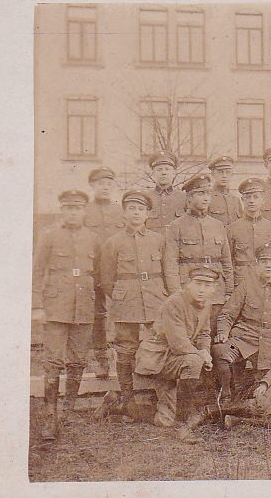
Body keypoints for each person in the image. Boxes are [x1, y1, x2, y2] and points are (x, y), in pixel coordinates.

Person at [99, 265, 218, 444]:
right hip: (157, 361)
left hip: (175, 361)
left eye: (207, 285)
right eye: (198, 283)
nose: (202, 289)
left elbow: (203, 333)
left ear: (214, 288)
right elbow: (179, 344)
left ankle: (119, 405)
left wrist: (206, 352)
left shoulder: (206, 303)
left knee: (164, 420)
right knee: (193, 361)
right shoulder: (175, 303)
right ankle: (181, 426)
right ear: (188, 284)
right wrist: (200, 355)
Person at [97, 190, 174, 422]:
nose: (136, 213)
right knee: (126, 349)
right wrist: (121, 295)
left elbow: (168, 272)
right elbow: (107, 279)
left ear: (148, 214)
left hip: (154, 297)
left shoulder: (159, 240)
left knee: (160, 345)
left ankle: (158, 398)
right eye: (131, 208)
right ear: (124, 213)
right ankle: (128, 399)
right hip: (126, 300)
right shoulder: (113, 242)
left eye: (141, 209)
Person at [32, 190, 102, 440]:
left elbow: (99, 277)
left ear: (85, 211)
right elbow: (37, 272)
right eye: (68, 208)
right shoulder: (49, 237)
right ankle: (49, 417)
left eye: (78, 208)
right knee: (52, 361)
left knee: (78, 360)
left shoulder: (93, 238)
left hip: (83, 307)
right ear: (62, 210)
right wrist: (37, 306)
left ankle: (68, 410)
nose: (73, 213)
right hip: (56, 307)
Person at [213, 243, 271, 402]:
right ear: (257, 265)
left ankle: (242, 399)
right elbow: (227, 313)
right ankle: (225, 396)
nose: (268, 265)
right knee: (221, 350)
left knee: (262, 390)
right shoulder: (246, 285)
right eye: (263, 261)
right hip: (241, 341)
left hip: (270, 346)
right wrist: (223, 333)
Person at [166, 174, 234, 335]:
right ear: (189, 198)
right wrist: (177, 293)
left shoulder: (217, 225)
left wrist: (229, 290)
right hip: (189, 290)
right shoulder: (177, 226)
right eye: (200, 193)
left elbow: (226, 261)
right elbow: (170, 263)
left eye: (208, 194)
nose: (205, 198)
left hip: (216, 292)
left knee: (214, 335)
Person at [84, 166, 125, 379]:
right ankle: (101, 359)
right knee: (97, 315)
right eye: (101, 184)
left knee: (122, 313)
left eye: (109, 184)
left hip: (118, 271)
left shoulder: (121, 211)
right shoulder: (85, 211)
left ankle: (123, 357)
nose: (105, 188)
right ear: (92, 185)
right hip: (93, 271)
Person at [227, 178, 271, 289]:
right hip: (241, 283)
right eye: (248, 197)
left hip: (266, 284)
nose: (251, 201)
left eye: (256, 197)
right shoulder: (232, 229)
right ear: (242, 200)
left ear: (263, 199)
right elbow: (228, 262)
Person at [145, 152, 187, 233]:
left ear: (174, 173)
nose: (163, 173)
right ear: (153, 173)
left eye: (167, 169)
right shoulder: (146, 197)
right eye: (159, 169)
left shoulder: (184, 197)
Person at [207, 155, 242, 227]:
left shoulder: (235, 200)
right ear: (213, 174)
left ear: (232, 174)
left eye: (228, 172)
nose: (224, 176)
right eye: (220, 172)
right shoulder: (207, 198)